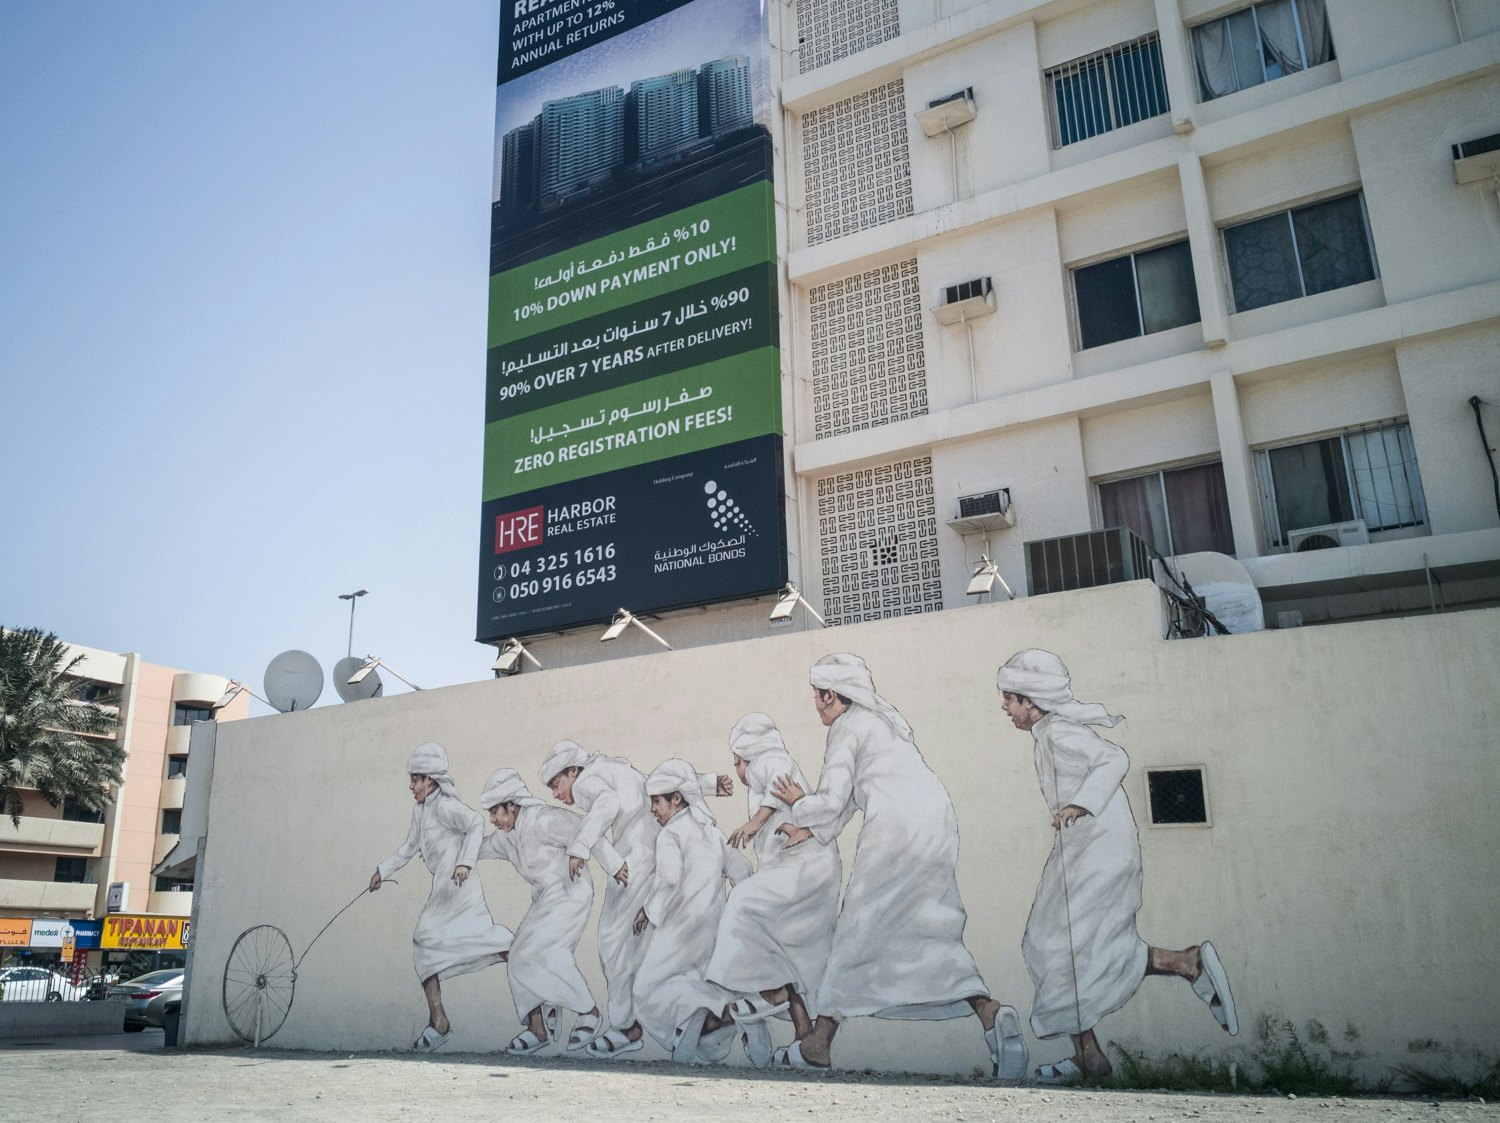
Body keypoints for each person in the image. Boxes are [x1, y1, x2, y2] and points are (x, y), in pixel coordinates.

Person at [772, 653, 1027, 1081]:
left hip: (896, 828)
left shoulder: (845, 729)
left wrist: (799, 803)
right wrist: (812, 831)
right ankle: (989, 1013)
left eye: (817, 697)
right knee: (928, 928)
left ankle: (818, 1044)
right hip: (935, 821)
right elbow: (850, 801)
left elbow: (833, 800)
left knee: (858, 925)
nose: (815, 705)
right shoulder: (883, 726)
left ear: (831, 695)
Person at [995, 649, 1238, 1082]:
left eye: (1009, 698)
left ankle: (1092, 1054)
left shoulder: (1060, 734)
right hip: (1083, 845)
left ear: (1031, 701)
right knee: (1052, 943)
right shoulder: (1048, 733)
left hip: (1100, 845)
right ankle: (1181, 966)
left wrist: (1079, 804)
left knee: (1059, 943)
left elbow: (1115, 759)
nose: (1004, 707)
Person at [538, 740, 731, 1059]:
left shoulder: (587, 781)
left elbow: (607, 806)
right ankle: (702, 1013)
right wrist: (709, 783)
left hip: (636, 866)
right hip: (655, 859)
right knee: (647, 946)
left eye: (556, 784)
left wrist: (579, 847)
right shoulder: (617, 768)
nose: (556, 794)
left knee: (613, 944)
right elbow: (658, 781)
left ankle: (628, 1027)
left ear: (573, 771)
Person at [707, 712, 841, 1048]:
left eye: (736, 762)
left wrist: (754, 822)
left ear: (745, 756)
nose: (737, 770)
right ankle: (803, 1035)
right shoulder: (759, 776)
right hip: (802, 870)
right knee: (785, 950)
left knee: (741, 905)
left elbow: (779, 777)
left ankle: (769, 993)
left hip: (804, 868)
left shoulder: (768, 760)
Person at [370, 742, 513, 1052]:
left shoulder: (446, 806)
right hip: (444, 887)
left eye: (416, 779)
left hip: (460, 885)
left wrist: (464, 863)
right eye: (411, 779)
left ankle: (440, 1023)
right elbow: (409, 847)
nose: (411, 786)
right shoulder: (419, 810)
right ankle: (440, 1022)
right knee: (480, 941)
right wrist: (383, 870)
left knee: (429, 939)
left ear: (431, 780)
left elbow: (475, 823)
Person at [632, 758, 766, 1065]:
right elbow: (742, 871)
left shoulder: (670, 835)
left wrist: (648, 911)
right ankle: (734, 1012)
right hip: (712, 929)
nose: (653, 810)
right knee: (693, 983)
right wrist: (737, 915)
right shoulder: (712, 833)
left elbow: (667, 880)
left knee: (645, 992)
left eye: (657, 802)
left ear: (676, 799)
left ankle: (714, 1011)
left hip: (679, 928)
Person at [476, 768, 614, 1055]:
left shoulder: (544, 819)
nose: (493, 820)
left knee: (540, 953)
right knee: (519, 955)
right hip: (545, 898)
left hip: (571, 893)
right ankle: (538, 1028)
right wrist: (450, 850)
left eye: (495, 812)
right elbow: (480, 847)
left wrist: (616, 866)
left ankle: (588, 1010)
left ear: (511, 805)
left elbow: (590, 831)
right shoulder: (507, 835)